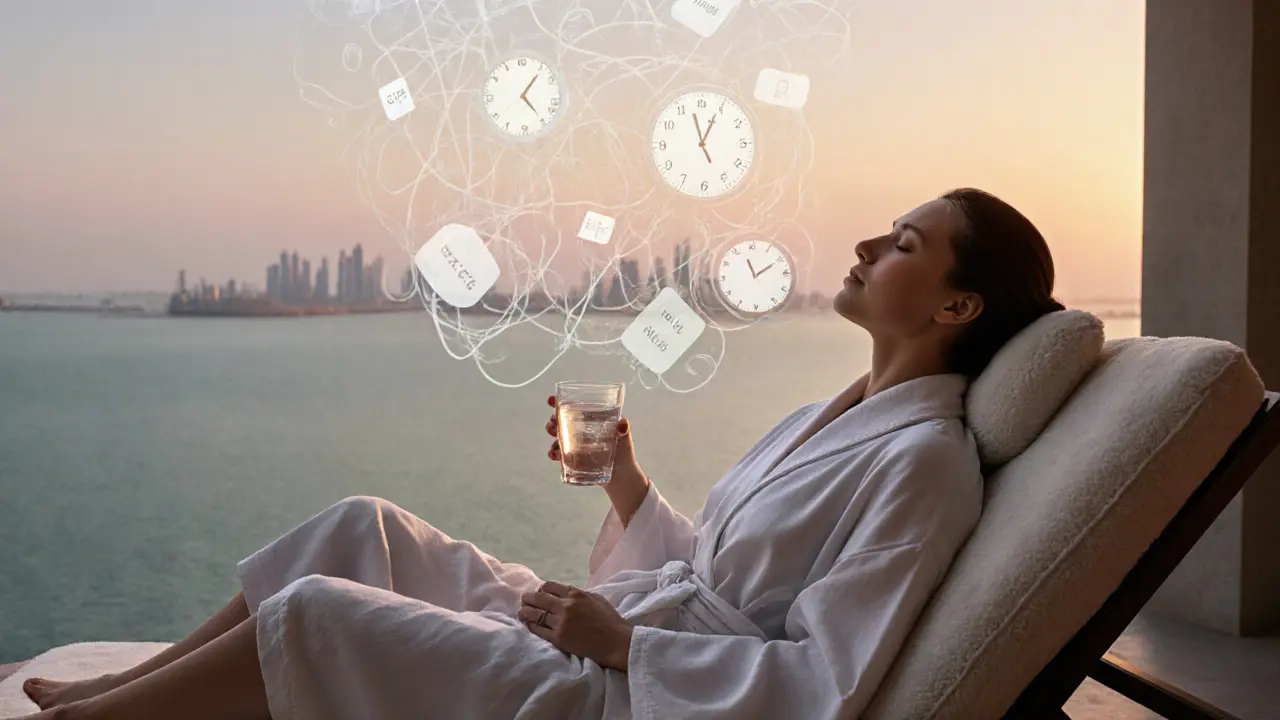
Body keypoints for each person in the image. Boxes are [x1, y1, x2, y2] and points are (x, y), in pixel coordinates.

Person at [14, 188, 1065, 720]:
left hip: (633, 698)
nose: (868, 249)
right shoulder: (823, 415)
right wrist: (627, 486)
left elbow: (825, 687)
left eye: (904, 246)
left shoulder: (923, 465)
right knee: (358, 525)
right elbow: (724, 576)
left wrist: (622, 649)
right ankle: (128, 690)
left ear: (955, 304)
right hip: (629, 637)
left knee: (313, 613)